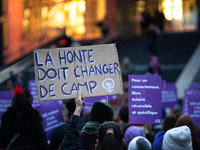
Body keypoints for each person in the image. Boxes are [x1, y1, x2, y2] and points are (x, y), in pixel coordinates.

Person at [0, 84, 48, 150]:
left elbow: (2, 141)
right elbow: (42, 141)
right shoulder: (34, 117)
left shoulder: (7, 117)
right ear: (28, 102)